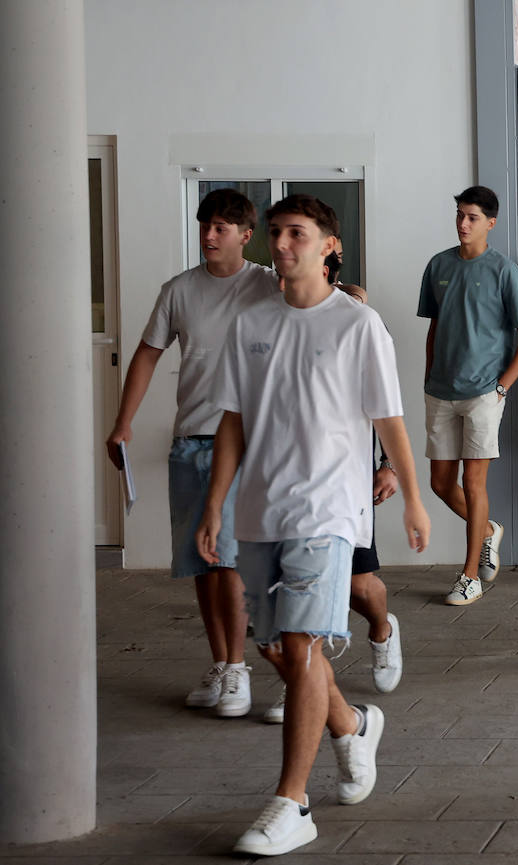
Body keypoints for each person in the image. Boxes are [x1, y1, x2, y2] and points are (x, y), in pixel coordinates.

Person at [197, 194, 430, 856]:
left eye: (296, 233)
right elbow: (234, 421)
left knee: (300, 648)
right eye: (275, 232)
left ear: (329, 245)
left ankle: (292, 801)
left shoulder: (359, 325)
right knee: (276, 649)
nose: (281, 244)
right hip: (259, 511)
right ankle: (352, 725)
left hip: (328, 512)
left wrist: (412, 498)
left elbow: (388, 419)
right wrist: (215, 504)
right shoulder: (250, 322)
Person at [104, 188, 277, 718]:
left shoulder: (267, 285)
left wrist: (351, 290)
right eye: (205, 225)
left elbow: (325, 298)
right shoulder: (179, 290)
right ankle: (222, 664)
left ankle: (238, 668)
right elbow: (147, 354)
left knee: (227, 559)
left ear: (246, 235)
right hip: (191, 440)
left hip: (248, 442)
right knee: (201, 561)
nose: (209, 235)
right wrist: (123, 423)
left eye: (221, 227)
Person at [263, 244, 404, 724]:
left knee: (359, 587)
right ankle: (302, 685)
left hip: (343, 483)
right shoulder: (267, 321)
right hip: (283, 486)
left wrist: (390, 466)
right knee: (292, 594)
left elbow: (385, 406)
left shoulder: (358, 320)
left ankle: (382, 630)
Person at [418, 186, 518, 606]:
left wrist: (501, 387)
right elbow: (435, 327)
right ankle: (488, 530)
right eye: (459, 215)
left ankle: (470, 577)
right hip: (440, 391)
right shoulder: (438, 265)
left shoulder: (505, 271)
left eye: (471, 217)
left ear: (490, 222)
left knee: (473, 483)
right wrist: (428, 376)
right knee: (439, 483)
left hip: (484, 393)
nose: (463, 223)